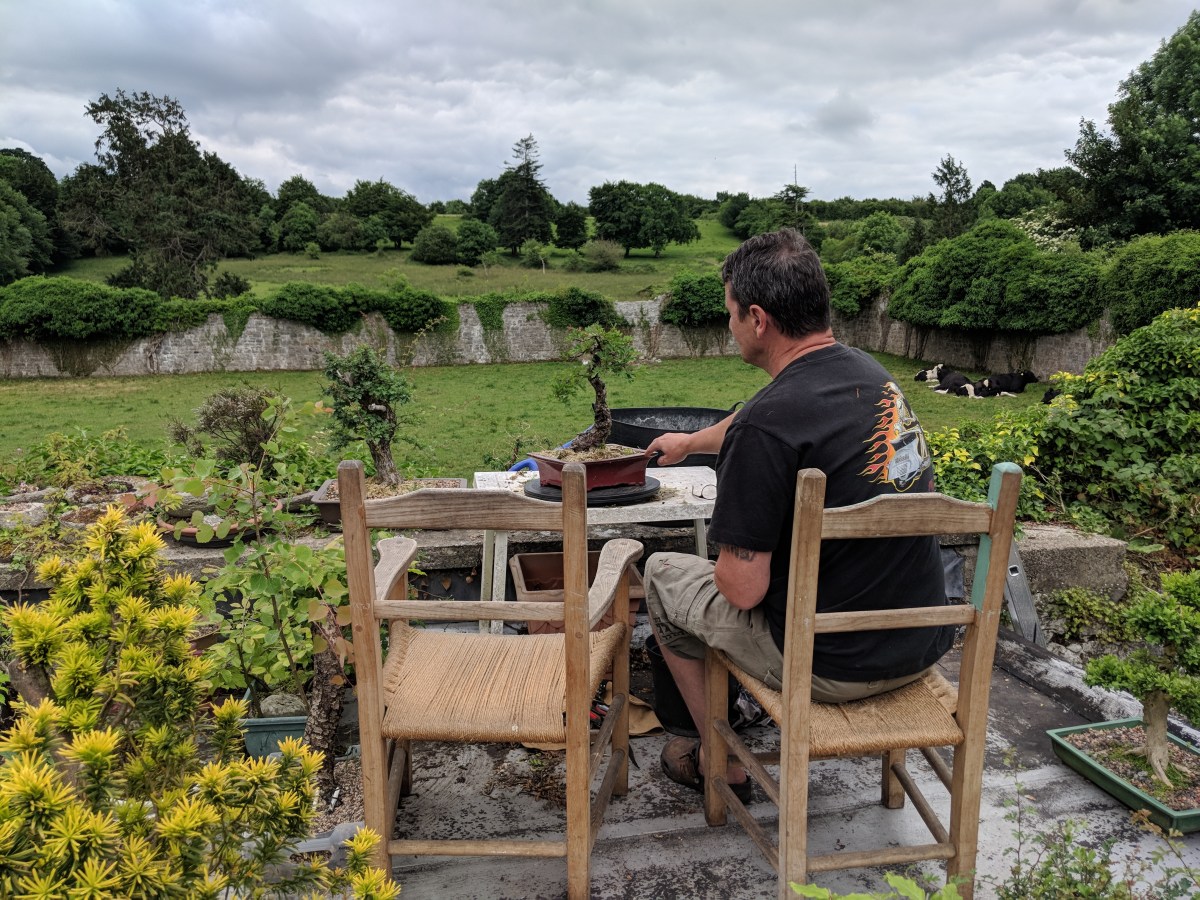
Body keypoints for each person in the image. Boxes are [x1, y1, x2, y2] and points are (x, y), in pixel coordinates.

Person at [644, 228, 950, 800]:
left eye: (730, 314)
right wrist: (691, 443)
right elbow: (756, 418)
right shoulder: (872, 377)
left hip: (830, 666)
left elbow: (742, 591)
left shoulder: (766, 426)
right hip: (919, 642)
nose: (729, 326)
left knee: (663, 575)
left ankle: (719, 760)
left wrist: (741, 532)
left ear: (758, 319)